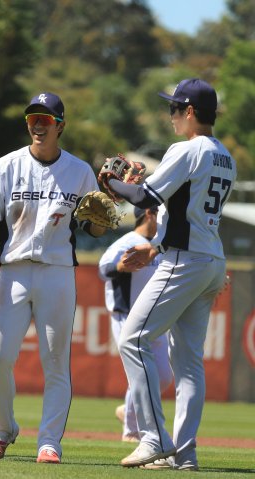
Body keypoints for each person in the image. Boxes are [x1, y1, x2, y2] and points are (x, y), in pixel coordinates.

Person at [104, 79, 236, 470]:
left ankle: (154, 438)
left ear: (190, 112)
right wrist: (156, 246)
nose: (171, 116)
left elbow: (146, 199)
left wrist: (113, 183)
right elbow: (186, 214)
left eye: (175, 109)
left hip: (186, 260)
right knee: (189, 363)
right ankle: (184, 453)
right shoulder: (225, 155)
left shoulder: (188, 149)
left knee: (133, 338)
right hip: (210, 259)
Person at [0, 92, 107, 464]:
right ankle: (2, 430)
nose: (38, 124)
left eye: (46, 119)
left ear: (60, 126)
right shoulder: (6, 165)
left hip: (57, 273)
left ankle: (49, 442)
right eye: (33, 117)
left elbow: (94, 229)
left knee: (56, 363)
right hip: (13, 272)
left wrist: (101, 213)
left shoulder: (80, 171)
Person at [98, 206, 172, 443]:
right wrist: (119, 267)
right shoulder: (128, 241)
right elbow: (103, 267)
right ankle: (131, 430)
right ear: (149, 213)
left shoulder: (159, 244)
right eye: (160, 212)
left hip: (155, 318)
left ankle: (127, 410)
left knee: (162, 377)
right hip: (127, 316)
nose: (164, 217)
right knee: (140, 373)